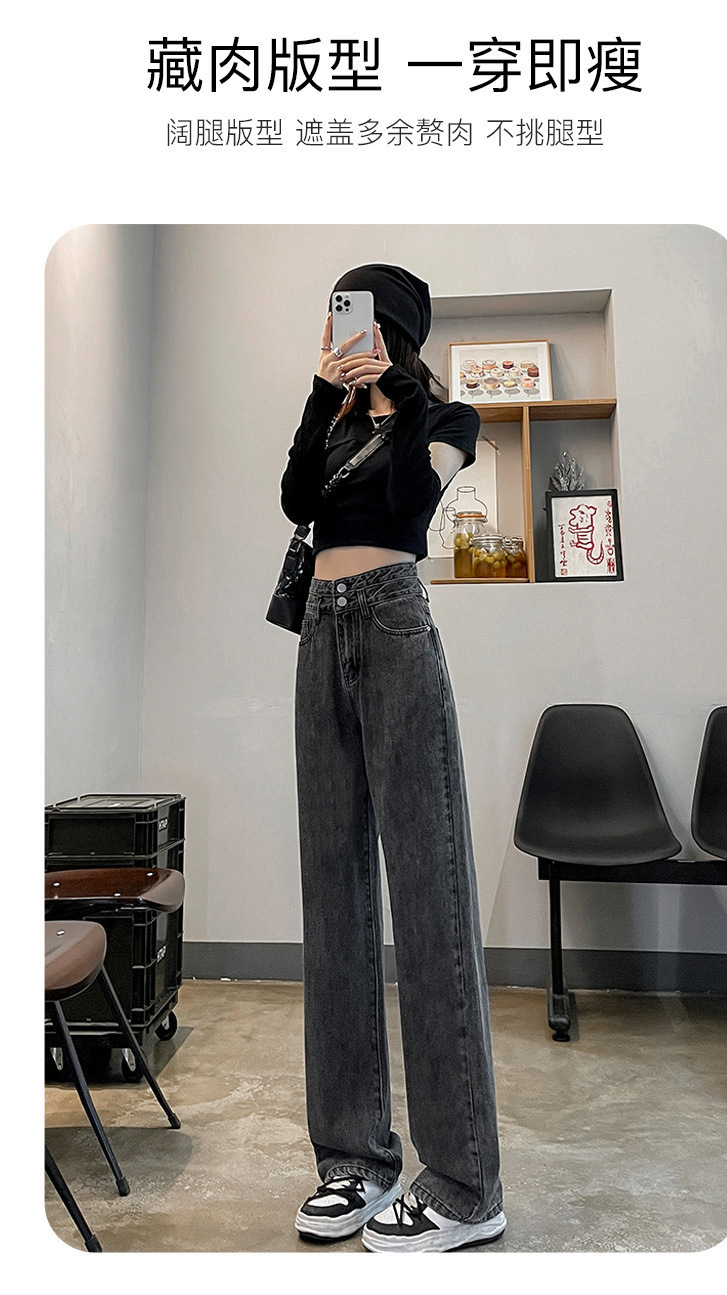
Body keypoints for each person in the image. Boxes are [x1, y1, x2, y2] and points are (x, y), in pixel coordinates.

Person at [280, 263, 506, 1253]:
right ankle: (353, 1159)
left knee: (429, 891)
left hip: (395, 625)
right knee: (332, 896)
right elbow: (295, 498)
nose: (346, 331)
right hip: (320, 632)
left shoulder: (448, 417)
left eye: (362, 315)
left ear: (396, 329)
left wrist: (396, 395)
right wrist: (320, 392)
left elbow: (414, 498)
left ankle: (464, 1182)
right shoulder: (331, 420)